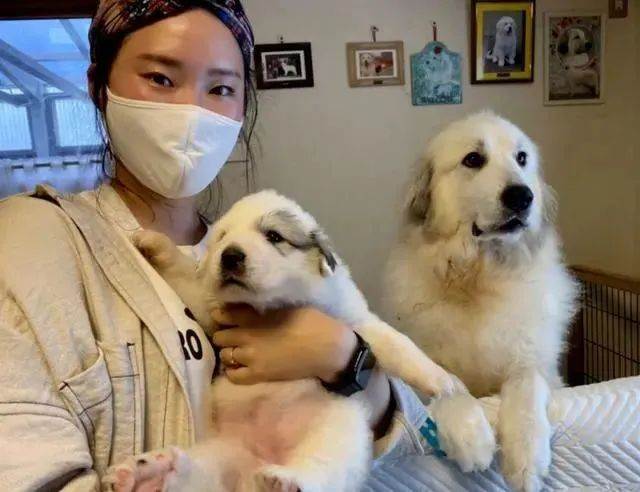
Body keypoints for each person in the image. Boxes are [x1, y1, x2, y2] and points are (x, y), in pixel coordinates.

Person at [0, 1, 429, 490]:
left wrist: (347, 360)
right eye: (161, 78)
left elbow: (412, 449)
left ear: (243, 107)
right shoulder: (35, 240)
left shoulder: (257, 256)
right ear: (99, 85)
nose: (192, 110)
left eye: (221, 88)